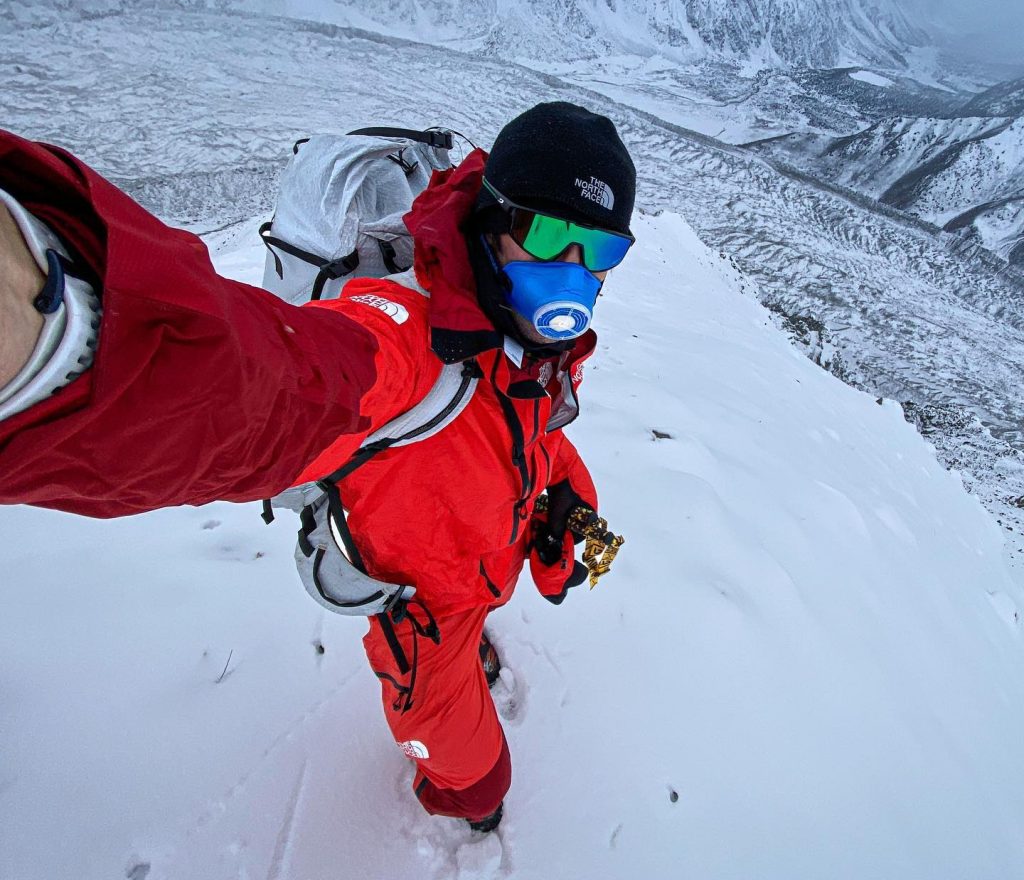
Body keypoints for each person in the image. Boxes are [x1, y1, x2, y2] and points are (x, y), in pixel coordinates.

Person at [0, 102, 635, 831]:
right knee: (476, 778)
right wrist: (58, 342)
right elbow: (272, 386)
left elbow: (530, 431)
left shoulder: (533, 344)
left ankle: (476, 648)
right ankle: (459, 805)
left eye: (599, 248)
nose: (572, 270)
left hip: (480, 567)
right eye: (548, 234)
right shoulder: (407, 341)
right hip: (423, 608)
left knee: (477, 619)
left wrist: (564, 497)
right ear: (492, 222)